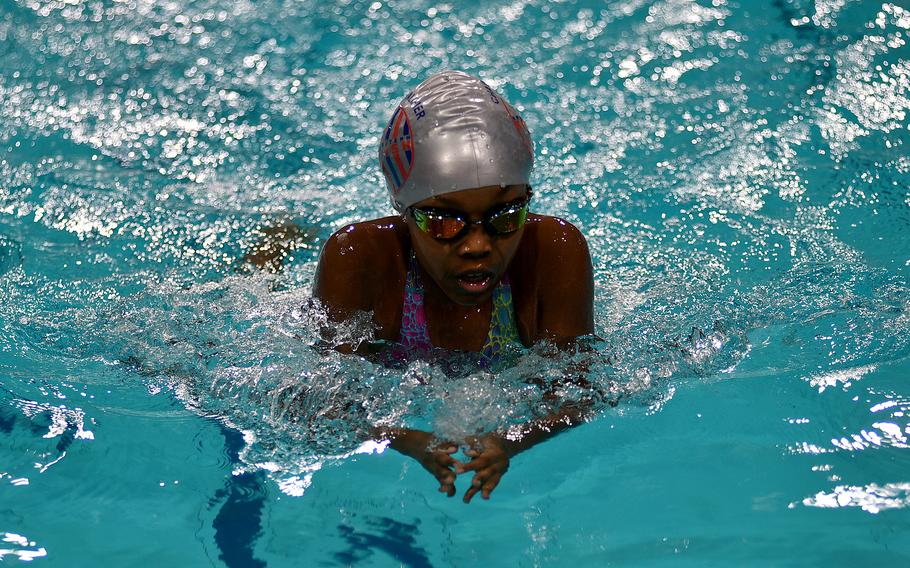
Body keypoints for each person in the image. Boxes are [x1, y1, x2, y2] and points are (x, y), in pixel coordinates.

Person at [310, 70, 594, 503]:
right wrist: (403, 438)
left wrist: (513, 439)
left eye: (504, 217)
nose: (478, 246)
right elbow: (313, 399)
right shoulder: (359, 259)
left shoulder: (553, 252)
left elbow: (583, 391)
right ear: (405, 210)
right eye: (444, 221)